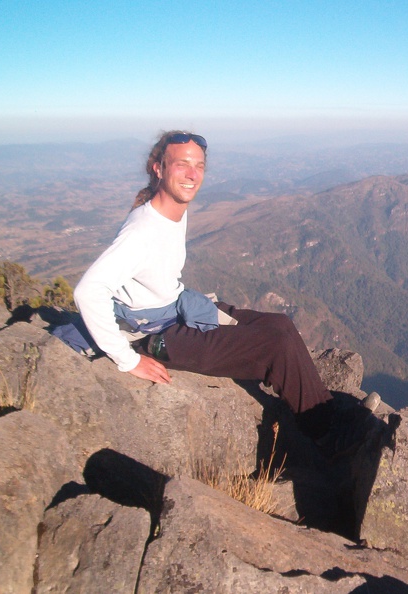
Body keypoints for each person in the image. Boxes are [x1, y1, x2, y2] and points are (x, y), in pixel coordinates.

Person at [73, 130, 377, 457]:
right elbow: (88, 290)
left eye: (199, 166)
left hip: (176, 310)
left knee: (280, 325)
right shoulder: (142, 230)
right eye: (182, 165)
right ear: (158, 168)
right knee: (276, 346)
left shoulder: (171, 211)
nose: (192, 175)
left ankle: (324, 411)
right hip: (156, 334)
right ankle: (329, 437)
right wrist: (128, 359)